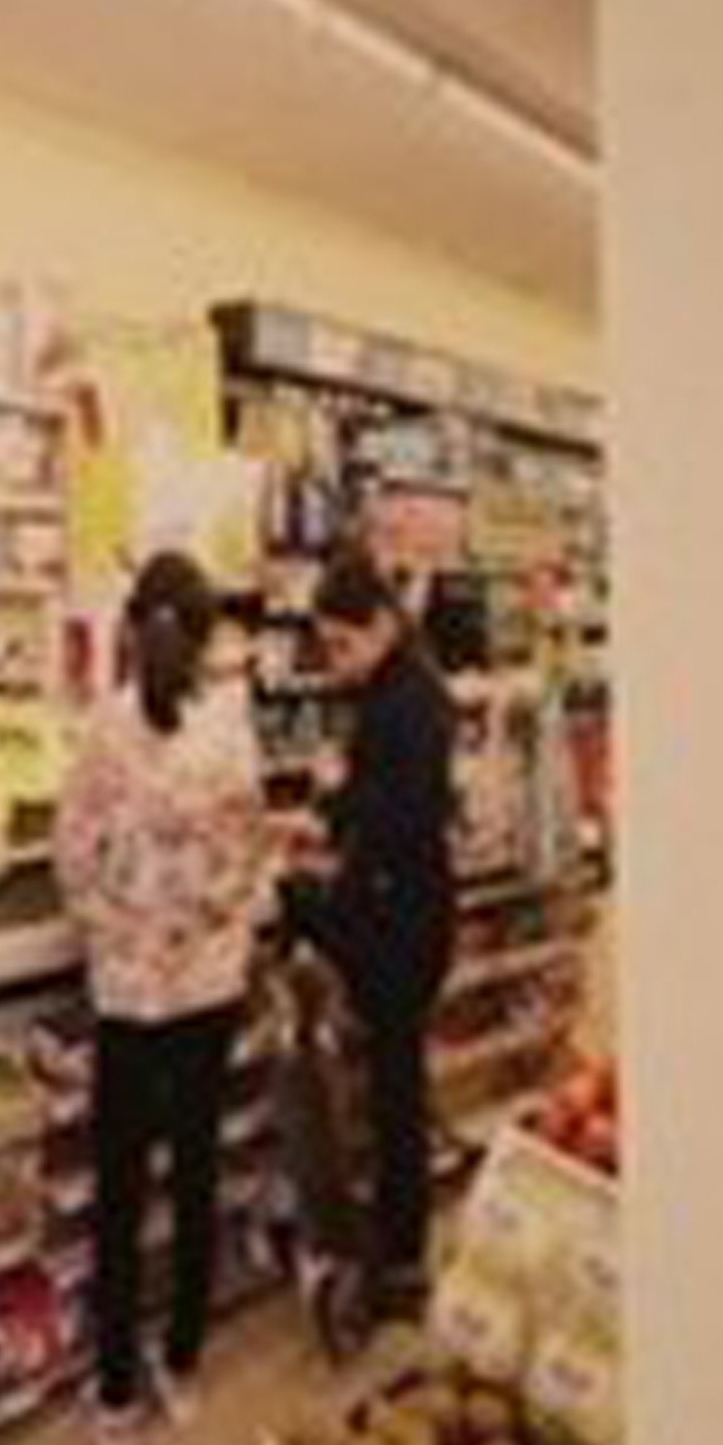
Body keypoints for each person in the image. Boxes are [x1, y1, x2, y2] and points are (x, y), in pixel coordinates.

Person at [53, 549, 272, 1424]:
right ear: (209, 635)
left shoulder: (104, 730)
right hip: (208, 989)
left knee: (118, 1187)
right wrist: (215, 922)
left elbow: (74, 857)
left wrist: (118, 928)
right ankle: (181, 1359)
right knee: (194, 1171)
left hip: (130, 995)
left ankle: (113, 1390)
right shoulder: (229, 728)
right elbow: (249, 853)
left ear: (133, 631)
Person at [296, 536, 464, 1344]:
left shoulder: (408, 702)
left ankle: (401, 1261)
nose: (332, 662)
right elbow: (385, 803)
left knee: (396, 1097)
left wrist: (335, 806)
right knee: (397, 1086)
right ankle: (399, 1244)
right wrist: (329, 815)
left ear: (382, 624)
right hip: (405, 912)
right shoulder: (401, 690)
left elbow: (398, 815)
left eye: (340, 643)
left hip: (401, 923)